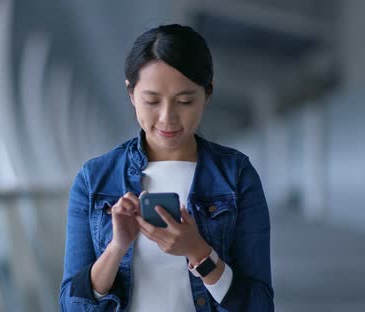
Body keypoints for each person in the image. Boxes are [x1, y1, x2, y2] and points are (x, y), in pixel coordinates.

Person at [59, 24, 274, 312]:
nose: (167, 118)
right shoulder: (94, 180)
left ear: (207, 94)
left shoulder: (236, 175)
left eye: (185, 101)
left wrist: (198, 252)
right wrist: (117, 247)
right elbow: (71, 306)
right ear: (131, 94)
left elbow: (259, 306)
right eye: (152, 101)